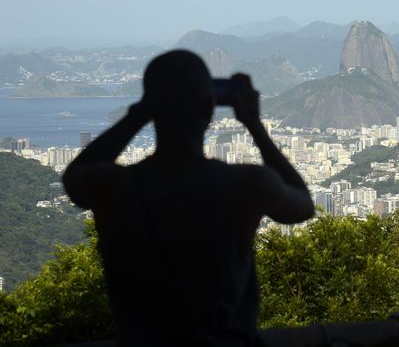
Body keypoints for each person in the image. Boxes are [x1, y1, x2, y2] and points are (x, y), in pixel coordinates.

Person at [63, 50, 314, 346]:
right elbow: (302, 206)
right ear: (210, 106)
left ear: (152, 107)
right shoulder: (246, 185)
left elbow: (75, 176)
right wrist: (254, 124)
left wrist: (139, 114)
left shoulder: (115, 187)